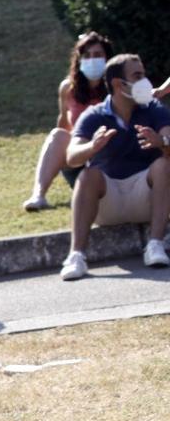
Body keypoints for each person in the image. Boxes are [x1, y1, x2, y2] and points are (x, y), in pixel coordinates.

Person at [60, 53, 170, 280]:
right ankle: (76, 256)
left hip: (145, 198)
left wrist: (162, 143)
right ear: (119, 84)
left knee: (164, 165)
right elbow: (72, 157)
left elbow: (168, 139)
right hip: (107, 203)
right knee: (88, 175)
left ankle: (156, 245)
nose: (145, 82)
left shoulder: (154, 109)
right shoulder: (94, 115)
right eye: (138, 76)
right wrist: (92, 146)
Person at [24, 32, 115, 211]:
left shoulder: (117, 88)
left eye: (98, 55)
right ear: (79, 60)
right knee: (58, 135)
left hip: (108, 163)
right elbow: (64, 124)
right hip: (79, 159)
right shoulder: (68, 88)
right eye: (87, 56)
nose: (92, 60)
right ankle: (39, 195)